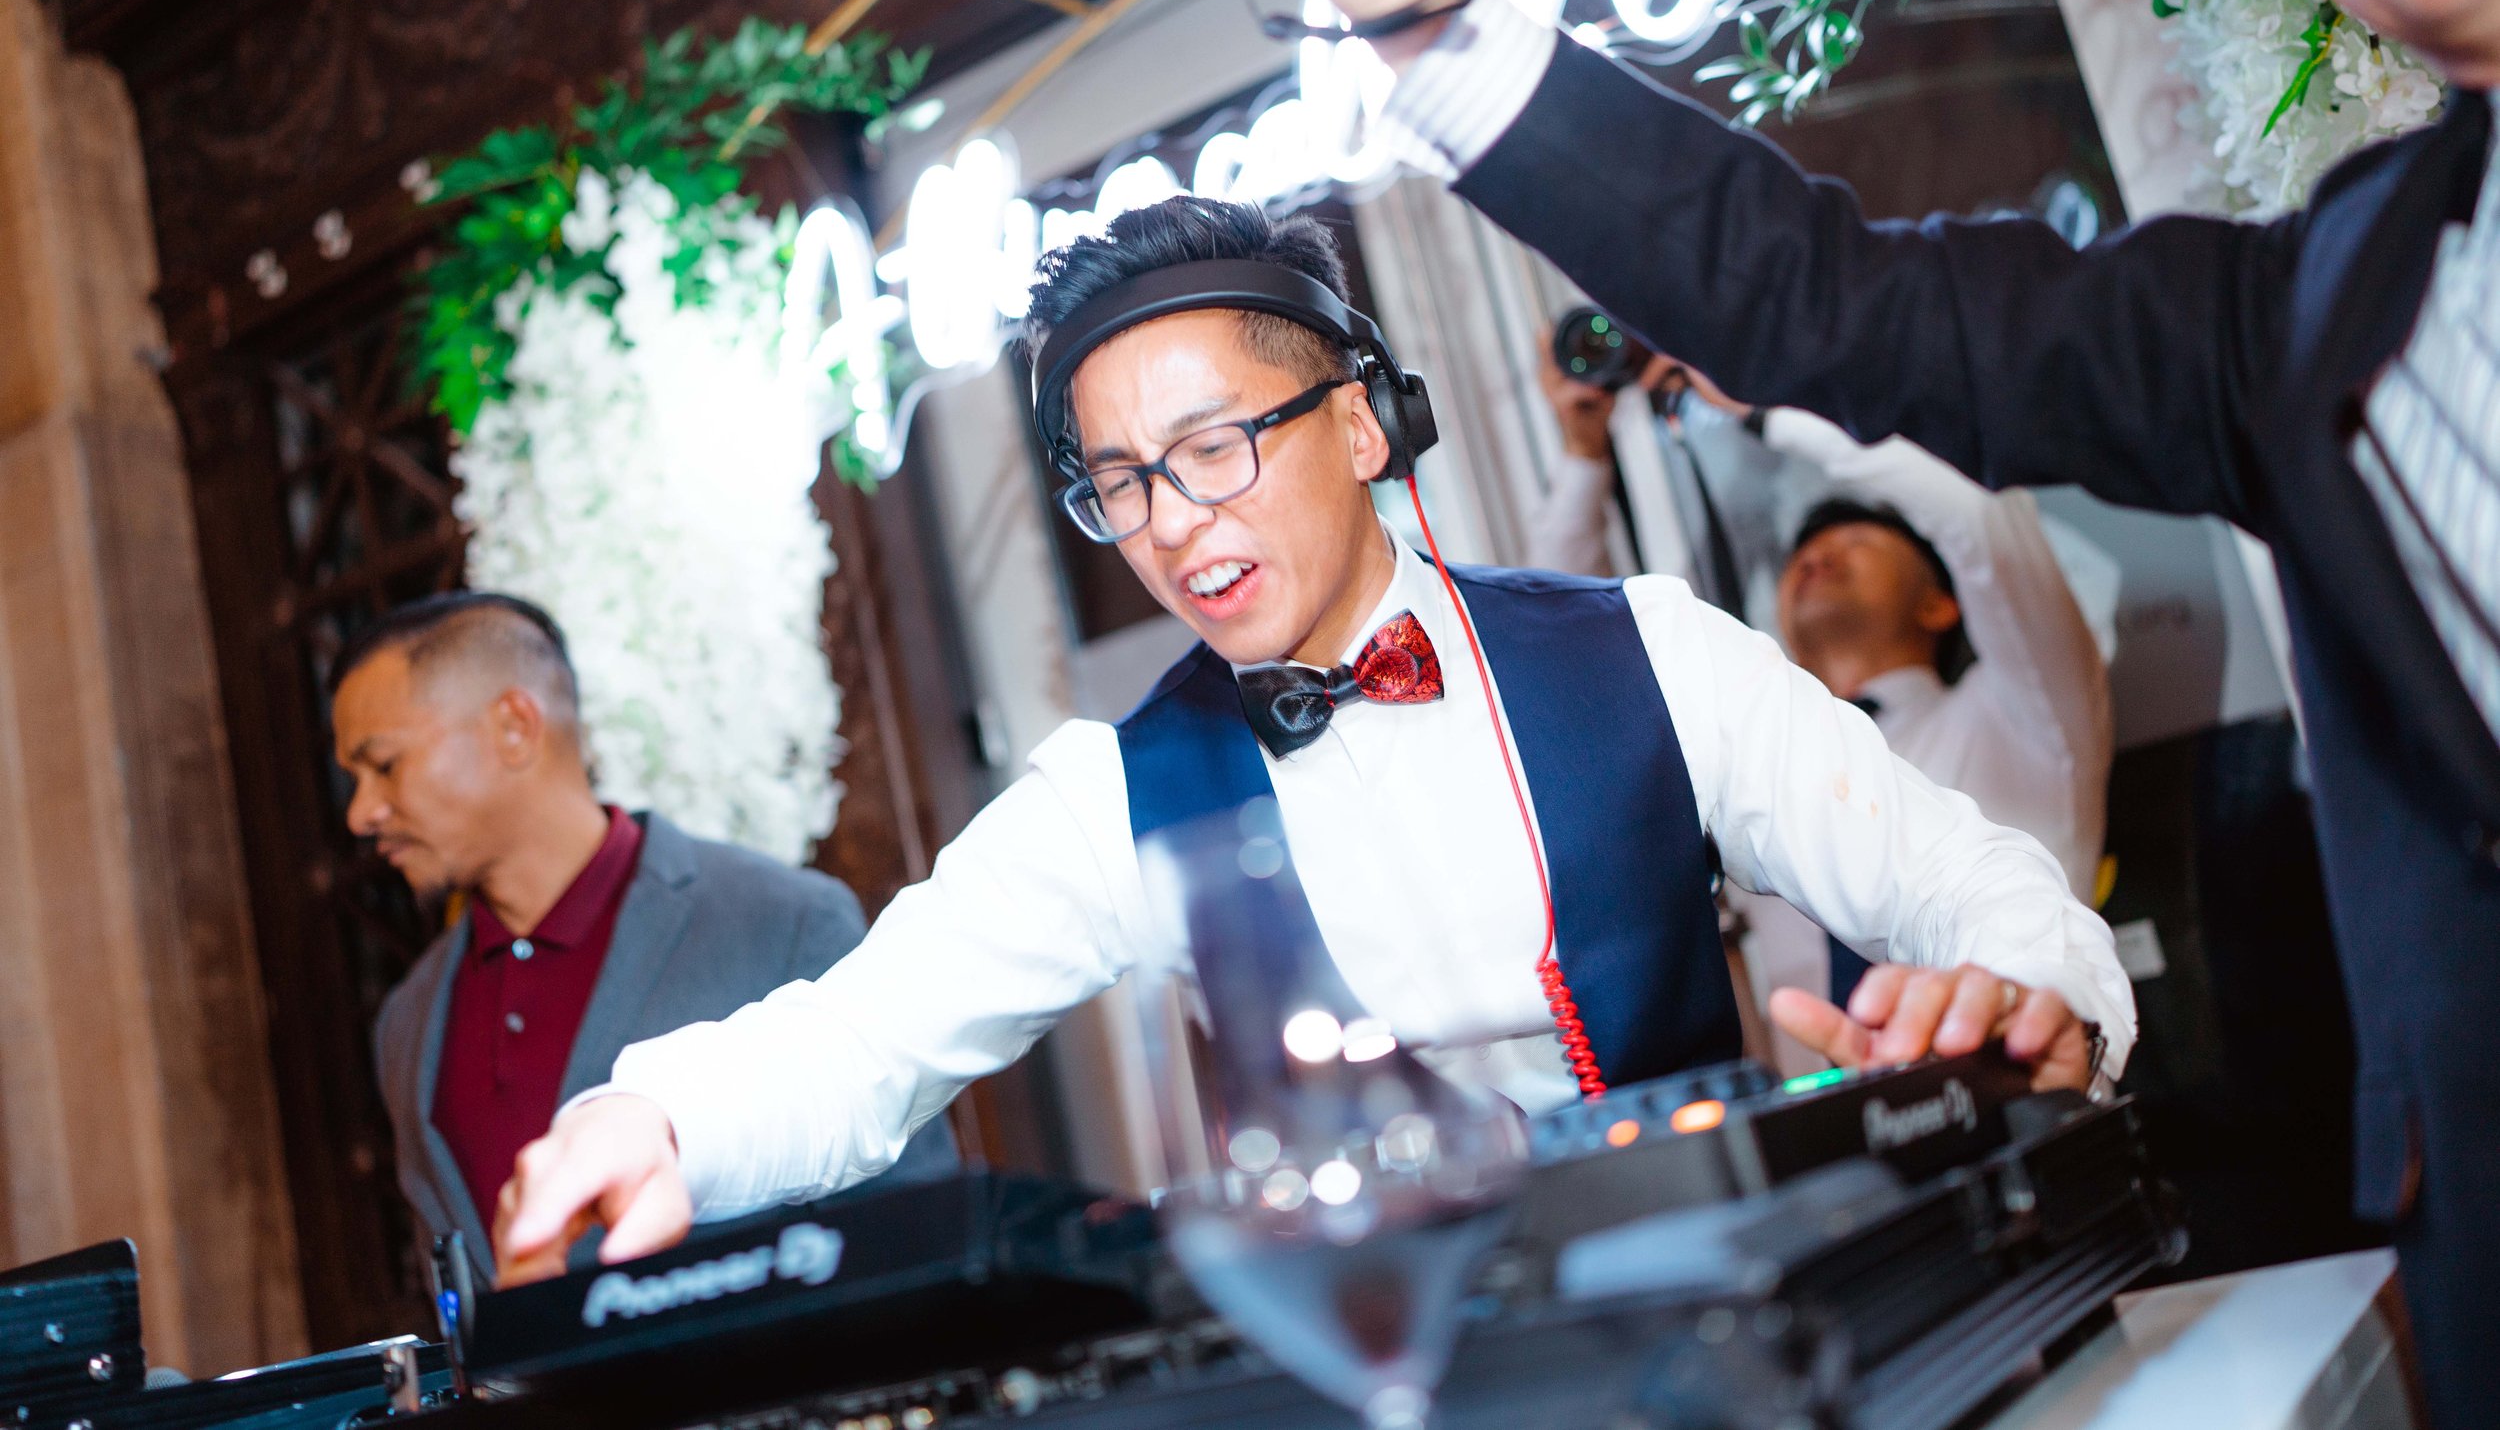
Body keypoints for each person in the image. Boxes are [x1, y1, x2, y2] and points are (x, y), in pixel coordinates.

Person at [1013, 0, 2500, 1417]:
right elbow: (1806, 291)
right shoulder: (2316, 314)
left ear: (1354, 423)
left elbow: (1917, 530)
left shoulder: (1823, 665)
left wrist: (2039, 979)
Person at [491, 197, 2132, 1283]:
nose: (1168, 524)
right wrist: (661, 1118)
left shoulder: (1652, 650)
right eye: (1118, 482)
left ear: (1359, 418)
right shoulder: (1110, 791)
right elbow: (861, 1042)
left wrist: (2028, 997)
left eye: (1209, 449)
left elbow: (1987, 894)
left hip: (1732, 1329)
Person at [339, 593, 954, 1278]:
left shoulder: (781, 921)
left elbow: (914, 1240)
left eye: (383, 764)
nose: (361, 813)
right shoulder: (408, 1023)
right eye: (353, 779)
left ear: (515, 726)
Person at [1534, 363, 2115, 1063]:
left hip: (2027, 1094)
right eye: (1801, 555)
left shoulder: (2029, 721)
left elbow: (1976, 515)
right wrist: (1584, 457)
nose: (1814, 556)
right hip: (1823, 1151)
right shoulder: (1758, 768)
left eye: (1855, 543)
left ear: (1940, 602)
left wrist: (1767, 407)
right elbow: (1573, 651)